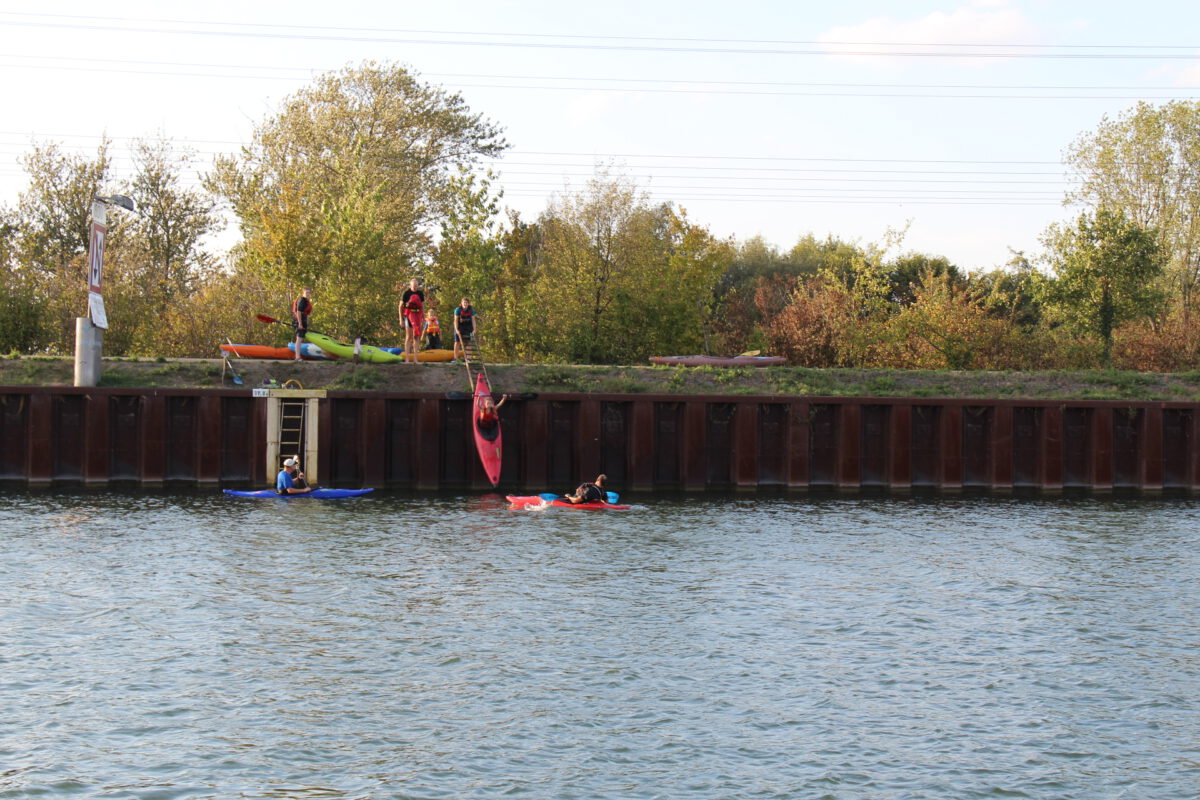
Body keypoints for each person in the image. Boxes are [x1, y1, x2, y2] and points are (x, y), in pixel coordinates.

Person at [399, 278, 425, 364]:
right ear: (410, 285)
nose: (415, 287)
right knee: (408, 337)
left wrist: (423, 317)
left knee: (416, 337)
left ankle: (415, 359)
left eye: (416, 286)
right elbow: (400, 307)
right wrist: (401, 319)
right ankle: (407, 359)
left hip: (417, 316)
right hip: (408, 316)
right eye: (413, 286)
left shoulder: (420, 293)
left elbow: (422, 306)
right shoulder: (406, 293)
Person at [292, 287, 312, 361]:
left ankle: (298, 356)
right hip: (298, 321)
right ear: (303, 293)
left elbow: (306, 314)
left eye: (309, 292)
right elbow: (298, 312)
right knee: (299, 338)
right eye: (306, 292)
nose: (308, 294)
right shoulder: (302, 300)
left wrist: (307, 324)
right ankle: (297, 357)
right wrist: (300, 323)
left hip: (303, 321)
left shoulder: (306, 301)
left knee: (301, 338)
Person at [453, 297, 476, 362]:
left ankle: (469, 359)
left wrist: (474, 329)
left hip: (468, 327)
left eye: (466, 302)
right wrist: (456, 330)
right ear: (461, 303)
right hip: (459, 326)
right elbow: (455, 320)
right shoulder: (458, 310)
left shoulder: (471, 310)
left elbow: (473, 320)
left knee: (469, 342)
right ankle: (455, 359)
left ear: (468, 304)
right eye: (464, 302)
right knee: (457, 342)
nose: (465, 304)